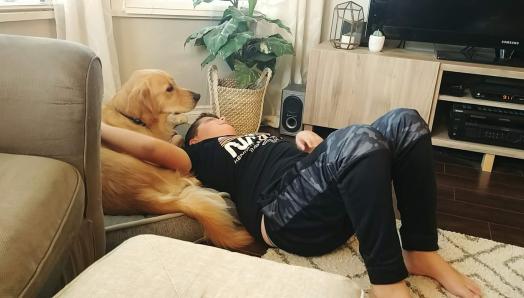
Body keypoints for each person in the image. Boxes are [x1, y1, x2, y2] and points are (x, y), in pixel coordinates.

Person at [101, 109, 481, 298]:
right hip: (281, 214)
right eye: (215, 120)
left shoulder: (266, 137)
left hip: (324, 198)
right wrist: (94, 124)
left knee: (406, 121)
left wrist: (308, 140)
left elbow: (319, 160)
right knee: (358, 139)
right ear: (198, 138)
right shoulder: (201, 156)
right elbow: (151, 148)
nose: (225, 121)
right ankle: (386, 281)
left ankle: (419, 249)